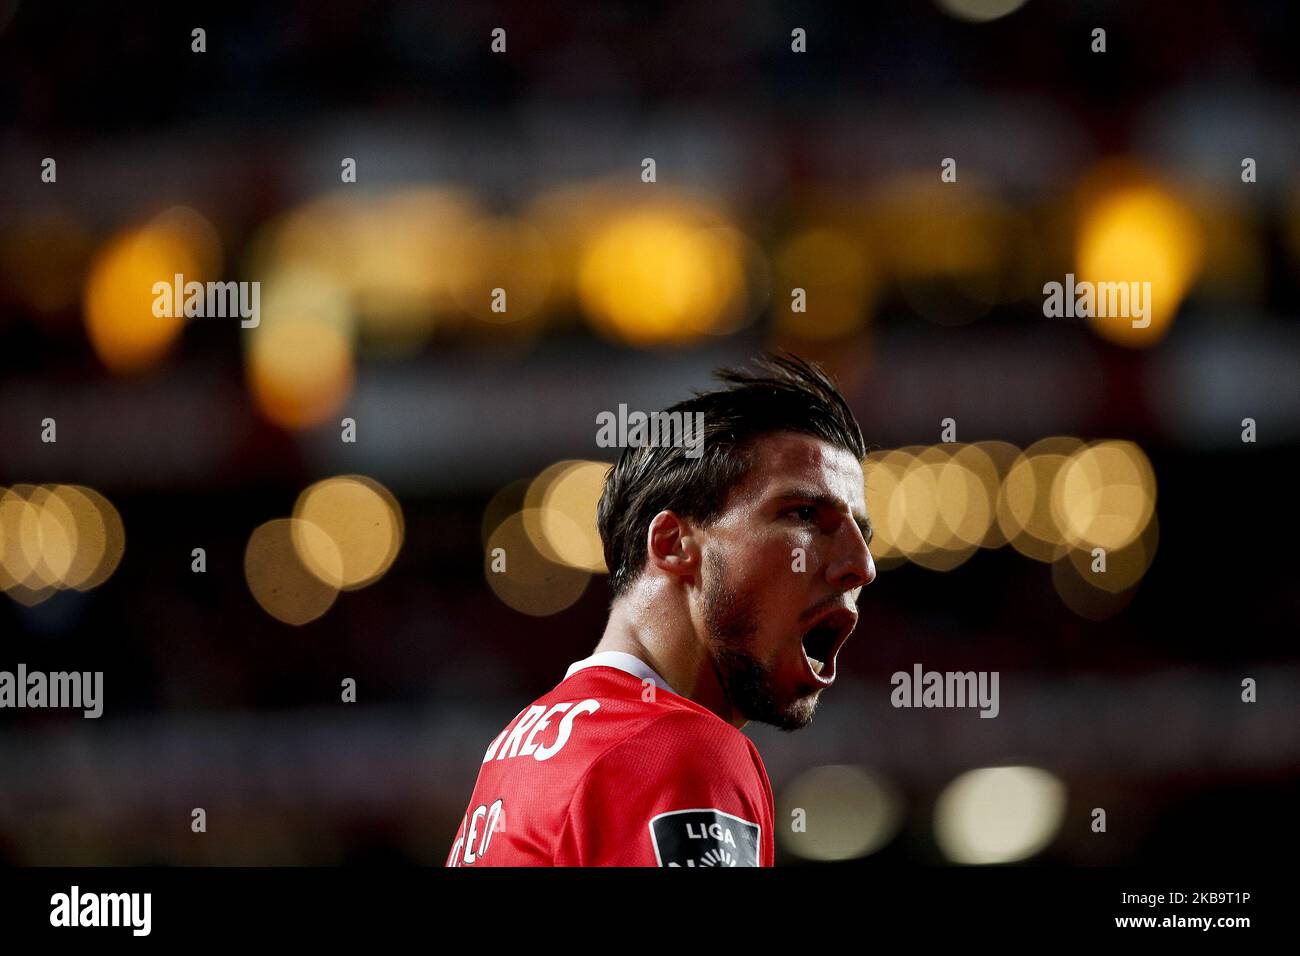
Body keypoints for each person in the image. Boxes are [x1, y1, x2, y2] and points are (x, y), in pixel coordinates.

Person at [448, 353, 876, 866]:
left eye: (862, 533)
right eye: (805, 514)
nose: (861, 566)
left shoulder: (517, 750)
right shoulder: (682, 750)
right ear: (674, 543)